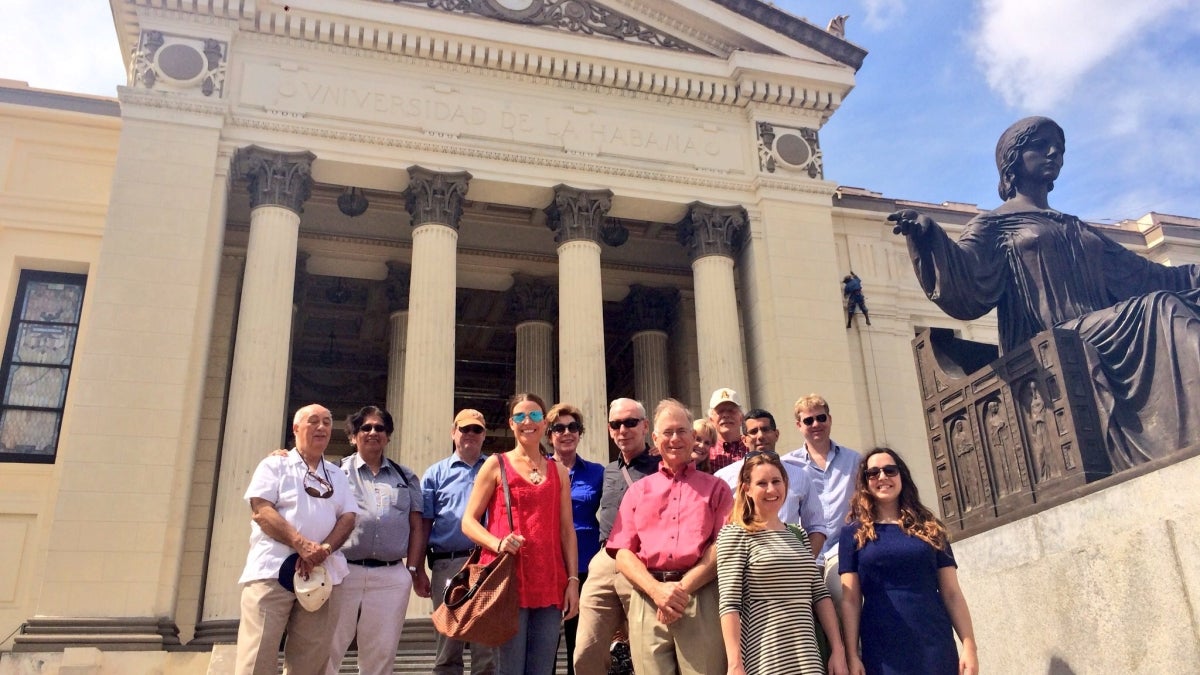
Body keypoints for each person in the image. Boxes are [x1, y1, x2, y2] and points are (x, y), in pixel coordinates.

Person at [889, 116, 1200, 470]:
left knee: (1171, 306)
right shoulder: (994, 225)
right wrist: (929, 238)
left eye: (1060, 149)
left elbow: (1148, 276)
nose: (1054, 153)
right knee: (1162, 310)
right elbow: (967, 285)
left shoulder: (1075, 226)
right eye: (1041, 145)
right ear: (1012, 160)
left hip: (1103, 331)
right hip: (1048, 339)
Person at [607, 399, 733, 675]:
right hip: (648, 597)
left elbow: (723, 546)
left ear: (693, 436)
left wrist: (681, 590)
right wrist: (656, 591)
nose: (675, 439)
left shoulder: (717, 489)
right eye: (667, 432)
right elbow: (623, 552)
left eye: (682, 431)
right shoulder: (638, 491)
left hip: (700, 596)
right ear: (654, 438)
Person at [235, 403, 359, 675]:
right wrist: (302, 545)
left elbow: (348, 517)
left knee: (311, 659)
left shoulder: (337, 474)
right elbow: (261, 509)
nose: (322, 427)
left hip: (321, 575)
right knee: (257, 656)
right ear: (296, 428)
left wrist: (323, 550)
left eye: (327, 422)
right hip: (272, 572)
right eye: (313, 421)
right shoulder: (274, 465)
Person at [462, 393, 580, 674]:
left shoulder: (558, 470)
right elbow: (468, 521)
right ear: (511, 424)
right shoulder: (496, 464)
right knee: (510, 668)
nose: (528, 422)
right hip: (508, 582)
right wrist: (498, 542)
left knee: (541, 669)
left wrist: (573, 581)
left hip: (549, 582)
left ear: (545, 424)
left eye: (536, 415)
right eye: (520, 416)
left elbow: (566, 530)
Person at [839, 447, 978, 675]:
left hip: (934, 641)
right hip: (881, 646)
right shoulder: (852, 533)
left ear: (901, 476)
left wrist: (969, 646)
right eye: (873, 473)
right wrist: (852, 655)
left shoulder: (931, 528)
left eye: (889, 470)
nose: (882, 477)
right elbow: (851, 600)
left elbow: (952, 593)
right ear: (865, 482)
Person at [718, 451, 848, 675]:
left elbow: (819, 595)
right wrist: (734, 664)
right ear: (746, 489)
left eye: (776, 481)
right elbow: (730, 603)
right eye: (762, 483)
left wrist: (838, 649)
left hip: (807, 656)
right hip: (764, 656)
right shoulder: (735, 534)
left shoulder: (797, 534)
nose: (771, 489)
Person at [326, 406, 430, 675]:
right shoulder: (335, 472)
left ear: (388, 436)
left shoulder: (406, 477)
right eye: (366, 428)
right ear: (353, 436)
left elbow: (416, 526)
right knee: (328, 649)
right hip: (343, 571)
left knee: (381, 654)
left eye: (379, 428)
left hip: (390, 575)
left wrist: (413, 569)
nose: (373, 432)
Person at [572, 398, 659, 675]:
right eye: (616, 424)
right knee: (586, 652)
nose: (623, 429)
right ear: (610, 430)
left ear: (645, 426)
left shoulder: (662, 465)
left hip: (643, 562)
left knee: (646, 653)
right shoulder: (607, 470)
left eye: (631, 422)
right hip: (605, 560)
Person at [421, 409, 498, 675]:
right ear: (453, 433)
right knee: (448, 641)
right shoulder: (435, 474)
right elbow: (423, 523)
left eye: (477, 430)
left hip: (488, 562)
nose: (470, 435)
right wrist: (417, 568)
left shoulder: (497, 470)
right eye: (464, 429)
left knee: (485, 645)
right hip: (448, 562)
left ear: (484, 435)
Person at [781, 394, 861, 604]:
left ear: (830, 419)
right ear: (799, 425)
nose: (816, 424)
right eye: (809, 420)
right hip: (805, 554)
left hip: (842, 551)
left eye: (821, 418)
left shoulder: (855, 460)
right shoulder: (786, 465)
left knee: (846, 599)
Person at [715, 408, 827, 556]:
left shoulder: (800, 476)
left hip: (791, 561)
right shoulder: (723, 478)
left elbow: (816, 527)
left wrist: (804, 564)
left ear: (776, 434)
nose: (760, 436)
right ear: (744, 440)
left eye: (766, 429)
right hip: (743, 563)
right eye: (753, 431)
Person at [546, 402, 605, 675]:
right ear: (549, 435)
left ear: (580, 433)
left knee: (578, 644)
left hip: (584, 566)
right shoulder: (537, 471)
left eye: (573, 427)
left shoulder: (597, 472)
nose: (566, 432)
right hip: (545, 566)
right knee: (543, 644)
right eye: (559, 428)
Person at [706, 388, 748, 472]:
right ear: (711, 420)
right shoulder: (705, 452)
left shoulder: (751, 447)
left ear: (741, 418)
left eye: (731, 411)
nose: (725, 415)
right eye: (720, 411)